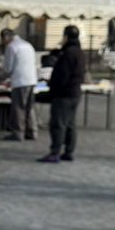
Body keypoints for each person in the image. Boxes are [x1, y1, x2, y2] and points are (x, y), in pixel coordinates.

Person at [38, 25, 86, 163]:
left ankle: (55, 152)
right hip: (75, 92)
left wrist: (52, 88)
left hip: (63, 94)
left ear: (66, 37)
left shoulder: (68, 53)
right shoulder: (80, 52)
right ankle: (69, 151)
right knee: (70, 123)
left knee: (58, 123)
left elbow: (62, 75)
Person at [0, 28, 38, 141]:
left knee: (18, 108)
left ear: (6, 37)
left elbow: (8, 68)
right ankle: (32, 130)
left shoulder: (11, 47)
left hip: (20, 81)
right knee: (29, 107)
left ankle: (18, 132)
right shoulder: (28, 45)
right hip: (31, 79)